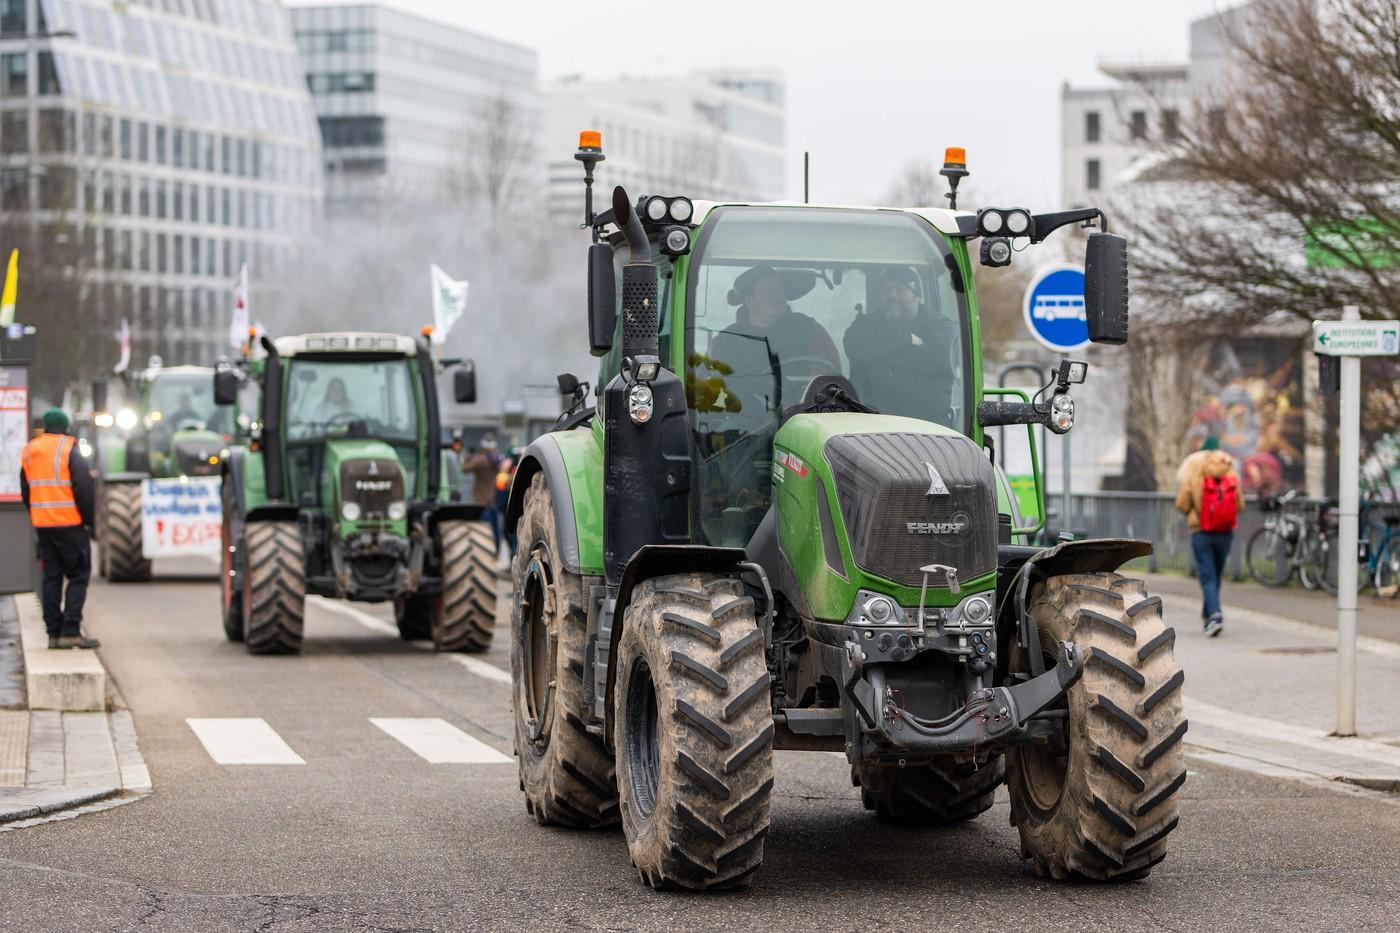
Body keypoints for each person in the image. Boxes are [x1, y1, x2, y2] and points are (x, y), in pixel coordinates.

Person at [707, 265, 840, 416]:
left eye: (780, 291)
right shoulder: (726, 341)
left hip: (802, 419)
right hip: (743, 426)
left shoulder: (810, 330)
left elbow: (829, 377)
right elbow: (713, 390)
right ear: (749, 300)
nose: (777, 296)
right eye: (769, 292)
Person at [19, 409, 99, 650]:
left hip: (44, 525)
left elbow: (25, 489)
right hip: (70, 524)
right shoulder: (69, 449)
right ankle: (71, 630)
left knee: (51, 577)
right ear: (65, 427)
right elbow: (83, 488)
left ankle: (53, 633)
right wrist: (88, 520)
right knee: (78, 574)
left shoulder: (30, 450)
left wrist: (37, 514)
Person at [844, 266, 958, 420]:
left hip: (929, 430)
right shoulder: (863, 325)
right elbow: (853, 346)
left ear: (917, 296)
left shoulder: (940, 326)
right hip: (869, 427)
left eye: (900, 289)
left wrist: (878, 357)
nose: (892, 295)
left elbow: (941, 358)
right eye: (885, 290)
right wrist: (908, 339)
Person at [1175, 435, 1245, 637]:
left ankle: (1214, 615)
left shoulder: (1195, 470)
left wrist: (1194, 509)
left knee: (1207, 575)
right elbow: (1240, 505)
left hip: (1201, 532)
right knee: (1216, 574)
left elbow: (1181, 504)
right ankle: (1209, 617)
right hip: (1224, 532)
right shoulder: (1229, 470)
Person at [463, 434, 503, 552]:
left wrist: (468, 457)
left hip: (481, 502)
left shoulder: (481, 461)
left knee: (484, 531)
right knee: (496, 531)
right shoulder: (497, 460)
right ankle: (496, 552)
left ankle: (487, 554)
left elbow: (465, 468)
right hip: (493, 501)